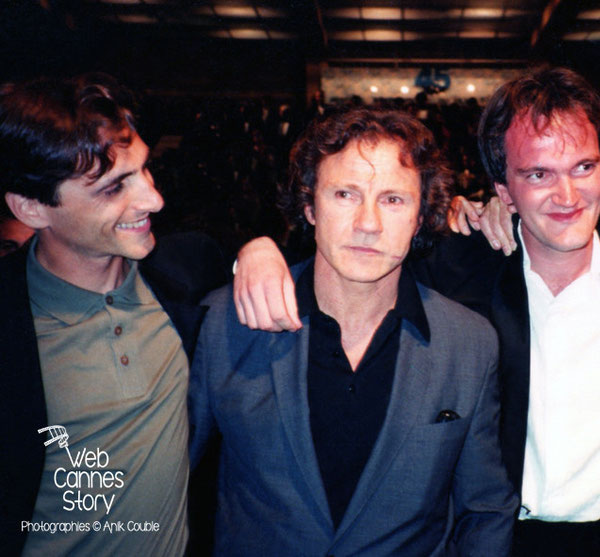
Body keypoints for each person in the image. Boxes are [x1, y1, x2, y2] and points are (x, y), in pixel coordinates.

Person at [234, 67, 600, 555]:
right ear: (503, 192)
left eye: (584, 168)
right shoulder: (464, 265)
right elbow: (360, 248)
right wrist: (262, 252)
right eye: (538, 175)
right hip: (510, 541)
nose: (569, 196)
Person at [189, 107, 517, 556]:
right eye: (345, 194)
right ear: (309, 206)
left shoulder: (469, 344)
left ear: (421, 217)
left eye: (393, 200)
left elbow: (484, 509)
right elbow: (162, 488)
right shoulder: (226, 321)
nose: (368, 223)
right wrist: (248, 248)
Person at [0, 74, 228, 555]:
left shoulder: (186, 273)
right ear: (32, 207)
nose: (153, 199)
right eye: (112, 188)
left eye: (144, 170)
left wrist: (259, 254)